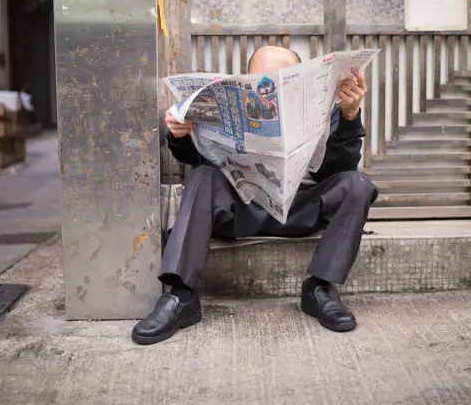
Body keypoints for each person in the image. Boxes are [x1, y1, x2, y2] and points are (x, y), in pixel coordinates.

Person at [132, 46, 379, 345]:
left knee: (358, 183)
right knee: (202, 175)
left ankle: (320, 288)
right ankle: (180, 295)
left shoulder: (329, 109)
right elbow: (199, 159)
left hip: (300, 211)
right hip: (241, 212)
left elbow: (339, 169)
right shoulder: (227, 106)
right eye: (261, 81)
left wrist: (351, 118)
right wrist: (179, 136)